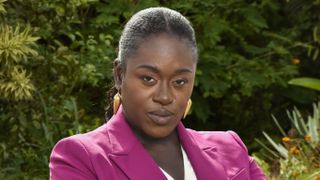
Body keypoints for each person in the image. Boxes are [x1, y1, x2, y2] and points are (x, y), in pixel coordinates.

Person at [49, 7, 266, 180]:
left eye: (179, 81)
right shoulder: (81, 158)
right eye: (148, 79)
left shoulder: (230, 149)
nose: (164, 96)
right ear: (119, 75)